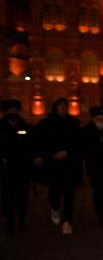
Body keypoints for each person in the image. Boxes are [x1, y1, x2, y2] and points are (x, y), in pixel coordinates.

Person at [35, 98, 82, 235]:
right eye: (60, 106)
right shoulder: (46, 123)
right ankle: (54, 207)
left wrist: (67, 151)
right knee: (54, 191)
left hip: (69, 163)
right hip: (53, 164)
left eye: (65, 106)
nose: (63, 108)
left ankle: (67, 221)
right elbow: (39, 141)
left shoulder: (73, 123)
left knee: (69, 192)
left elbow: (78, 142)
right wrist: (49, 154)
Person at [0, 99, 37, 233]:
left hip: (22, 167)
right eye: (10, 110)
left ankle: (21, 217)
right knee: (7, 195)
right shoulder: (1, 127)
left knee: (22, 194)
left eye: (15, 109)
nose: (12, 112)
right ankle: (9, 219)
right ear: (5, 111)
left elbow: (32, 145)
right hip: (6, 167)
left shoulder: (26, 126)